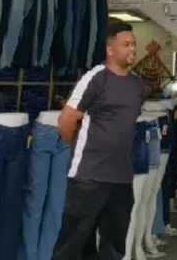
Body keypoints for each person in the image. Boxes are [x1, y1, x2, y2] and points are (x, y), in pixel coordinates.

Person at [52, 20, 146, 259]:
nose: (132, 49)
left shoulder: (138, 85)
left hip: (121, 176)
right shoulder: (95, 78)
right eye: (126, 45)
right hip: (90, 176)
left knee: (114, 245)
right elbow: (66, 120)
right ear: (110, 49)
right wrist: (80, 150)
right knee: (73, 243)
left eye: (133, 44)